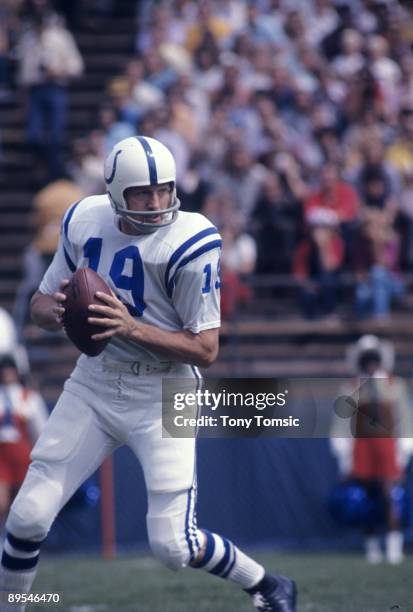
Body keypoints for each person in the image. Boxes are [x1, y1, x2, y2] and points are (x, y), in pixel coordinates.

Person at [0, 136, 297, 612]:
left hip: (164, 390)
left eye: (164, 190)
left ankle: (268, 585)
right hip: (96, 381)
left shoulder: (191, 239)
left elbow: (205, 349)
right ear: (116, 191)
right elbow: (37, 303)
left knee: (172, 546)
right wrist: (54, 310)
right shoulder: (84, 220)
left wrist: (131, 326)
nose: (157, 203)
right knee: (28, 515)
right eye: (142, 193)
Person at [331, 335, 413, 564]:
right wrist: (344, 458)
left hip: (386, 446)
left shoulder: (394, 385)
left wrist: (403, 453)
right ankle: (372, 547)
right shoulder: (351, 387)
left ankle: (394, 548)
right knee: (365, 499)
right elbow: (342, 425)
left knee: (389, 496)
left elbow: (404, 420)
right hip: (362, 446)